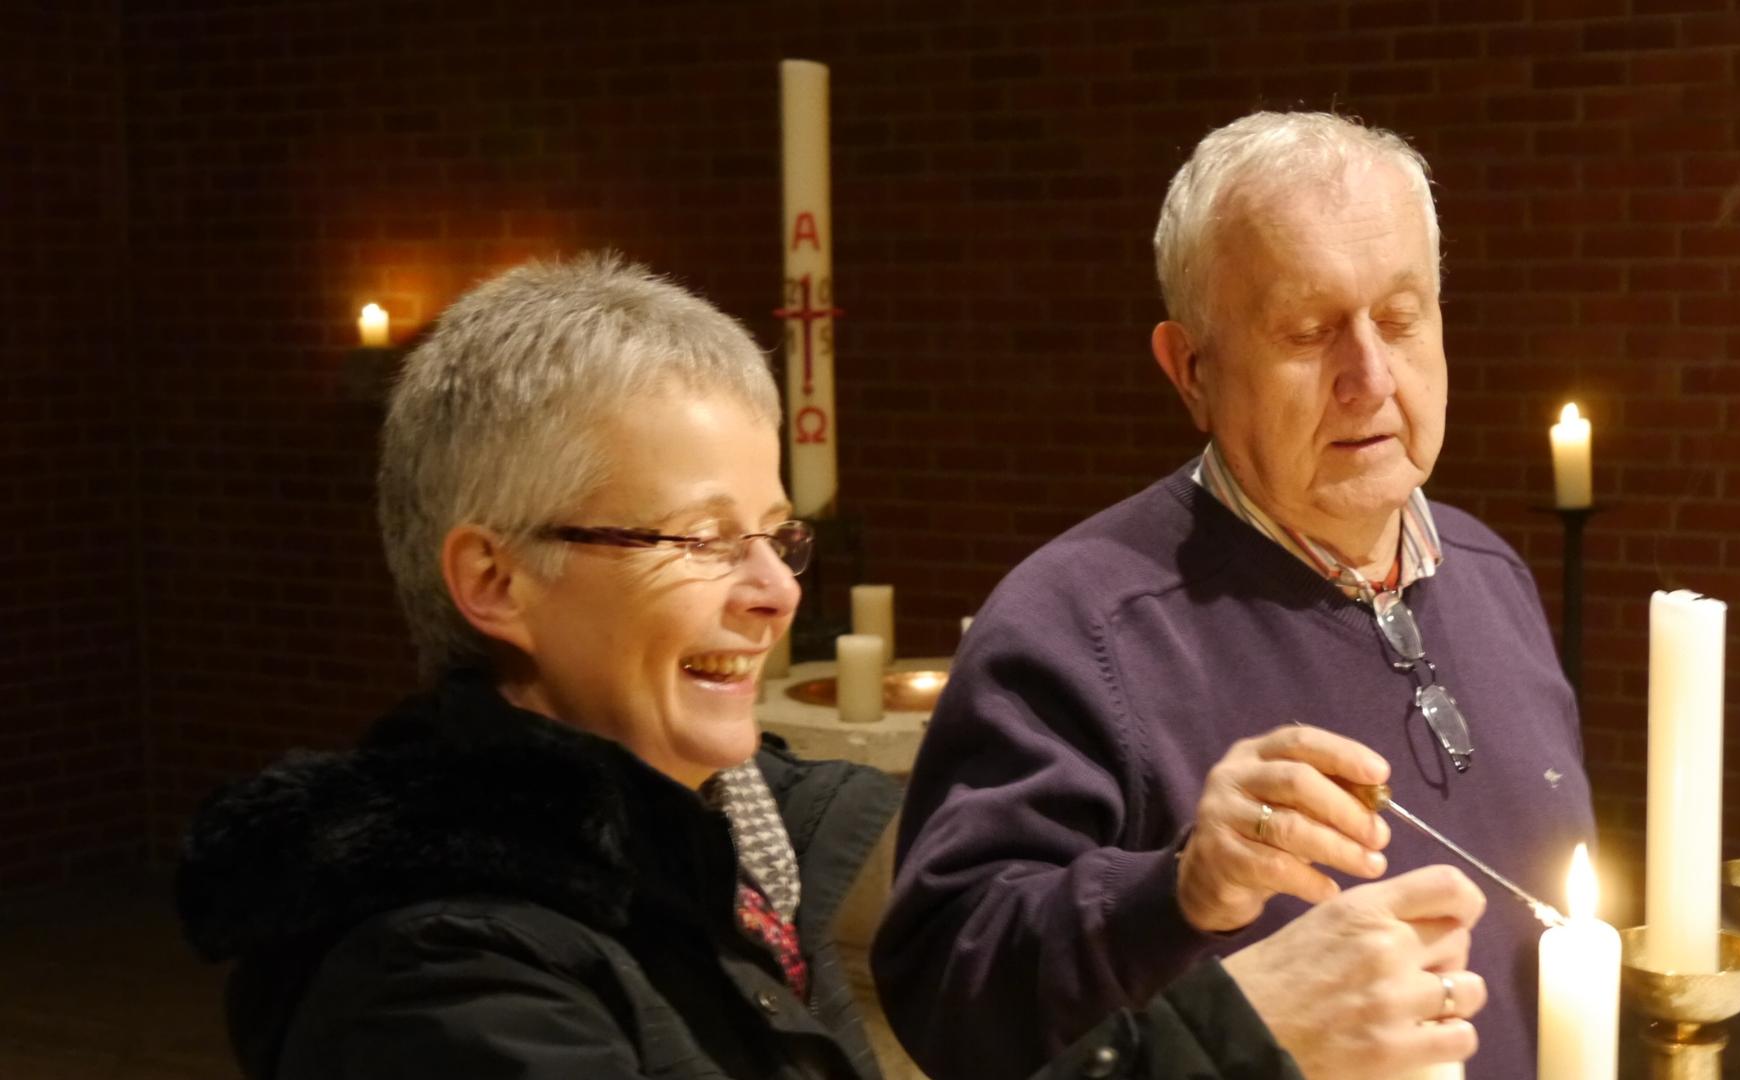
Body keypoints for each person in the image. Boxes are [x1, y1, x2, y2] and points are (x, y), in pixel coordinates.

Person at [171, 254, 1490, 1080]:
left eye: (774, 532)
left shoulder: (733, 858)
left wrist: (1187, 877)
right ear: (495, 581)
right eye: (700, 538)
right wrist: (1232, 1042)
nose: (775, 589)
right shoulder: (436, 982)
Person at [874, 112, 1596, 1080]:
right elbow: (944, 989)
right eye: (1308, 331)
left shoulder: (1489, 572)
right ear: (1192, 371)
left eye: (1399, 316)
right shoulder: (1074, 626)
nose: (1369, 378)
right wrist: (1175, 893)